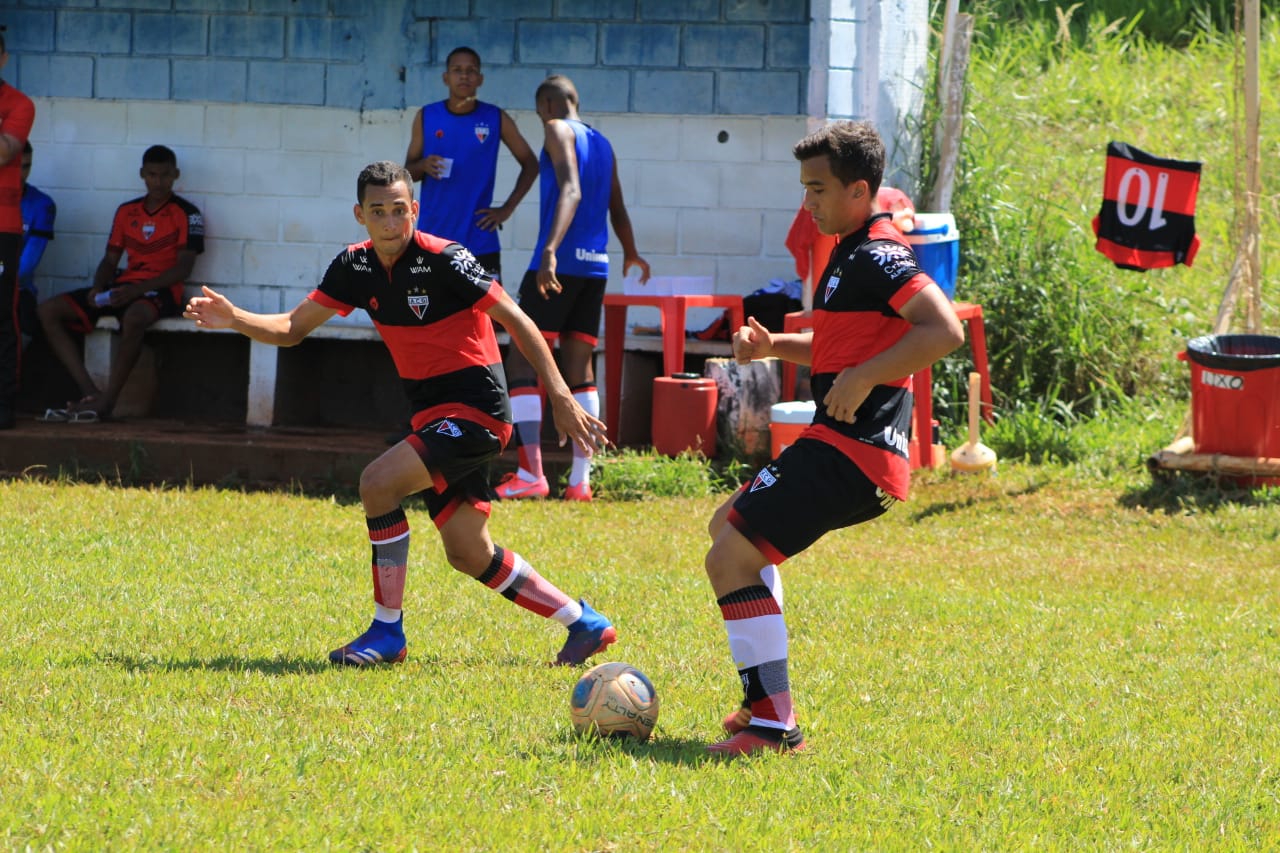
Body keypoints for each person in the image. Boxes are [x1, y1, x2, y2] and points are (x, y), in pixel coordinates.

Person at [183, 160, 618, 669]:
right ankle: (582, 622)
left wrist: (561, 396)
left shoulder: (448, 259)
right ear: (360, 215)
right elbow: (292, 328)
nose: (391, 223)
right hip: (432, 416)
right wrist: (235, 317)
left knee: (377, 484)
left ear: (414, 209)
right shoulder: (354, 267)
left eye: (399, 211)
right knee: (467, 551)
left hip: (478, 409)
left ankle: (387, 633)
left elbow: (519, 320)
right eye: (378, 212)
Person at [702, 121, 965, 757]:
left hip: (855, 451)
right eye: (804, 188)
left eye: (817, 189)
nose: (807, 202)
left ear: (859, 189)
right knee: (728, 534)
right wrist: (773, 346)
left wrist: (866, 376)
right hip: (840, 445)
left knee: (730, 555)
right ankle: (764, 698)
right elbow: (843, 344)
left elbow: (945, 329)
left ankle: (772, 723)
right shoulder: (849, 250)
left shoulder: (878, 250)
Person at [496, 74, 650, 502]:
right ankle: (580, 481)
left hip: (558, 266)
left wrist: (549, 250)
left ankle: (531, 474)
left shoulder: (555, 129)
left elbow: (572, 189)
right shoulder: (603, 142)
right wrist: (631, 252)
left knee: (524, 360)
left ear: (547, 104)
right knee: (581, 368)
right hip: (595, 269)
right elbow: (616, 206)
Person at [38, 144, 203, 421]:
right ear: (142, 174)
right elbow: (110, 260)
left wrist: (136, 290)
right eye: (152, 174)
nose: (158, 182)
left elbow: (183, 269)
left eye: (164, 175)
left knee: (136, 317)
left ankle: (107, 401)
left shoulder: (187, 213)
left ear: (176, 174)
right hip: (123, 287)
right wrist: (98, 287)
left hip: (160, 292)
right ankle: (90, 392)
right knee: (48, 311)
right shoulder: (127, 211)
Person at [403, 45, 539, 282]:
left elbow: (531, 164)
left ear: (480, 78)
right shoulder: (427, 116)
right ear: (446, 77)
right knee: (431, 314)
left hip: (480, 239)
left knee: (490, 315)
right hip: (434, 237)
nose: (464, 75)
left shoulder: (495, 117)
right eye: (457, 70)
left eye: (471, 70)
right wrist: (423, 165)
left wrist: (506, 209)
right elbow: (407, 173)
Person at [0, 32, 36, 430]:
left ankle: (4, 402)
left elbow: (5, 152)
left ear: (3, 58)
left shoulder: (18, 104)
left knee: (0, 314)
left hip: (2, 228)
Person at [19, 141, 56, 351]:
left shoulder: (42, 204)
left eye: (26, 166)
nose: (21, 174)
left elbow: (25, 268)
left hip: (17, 292)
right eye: (15, 166)